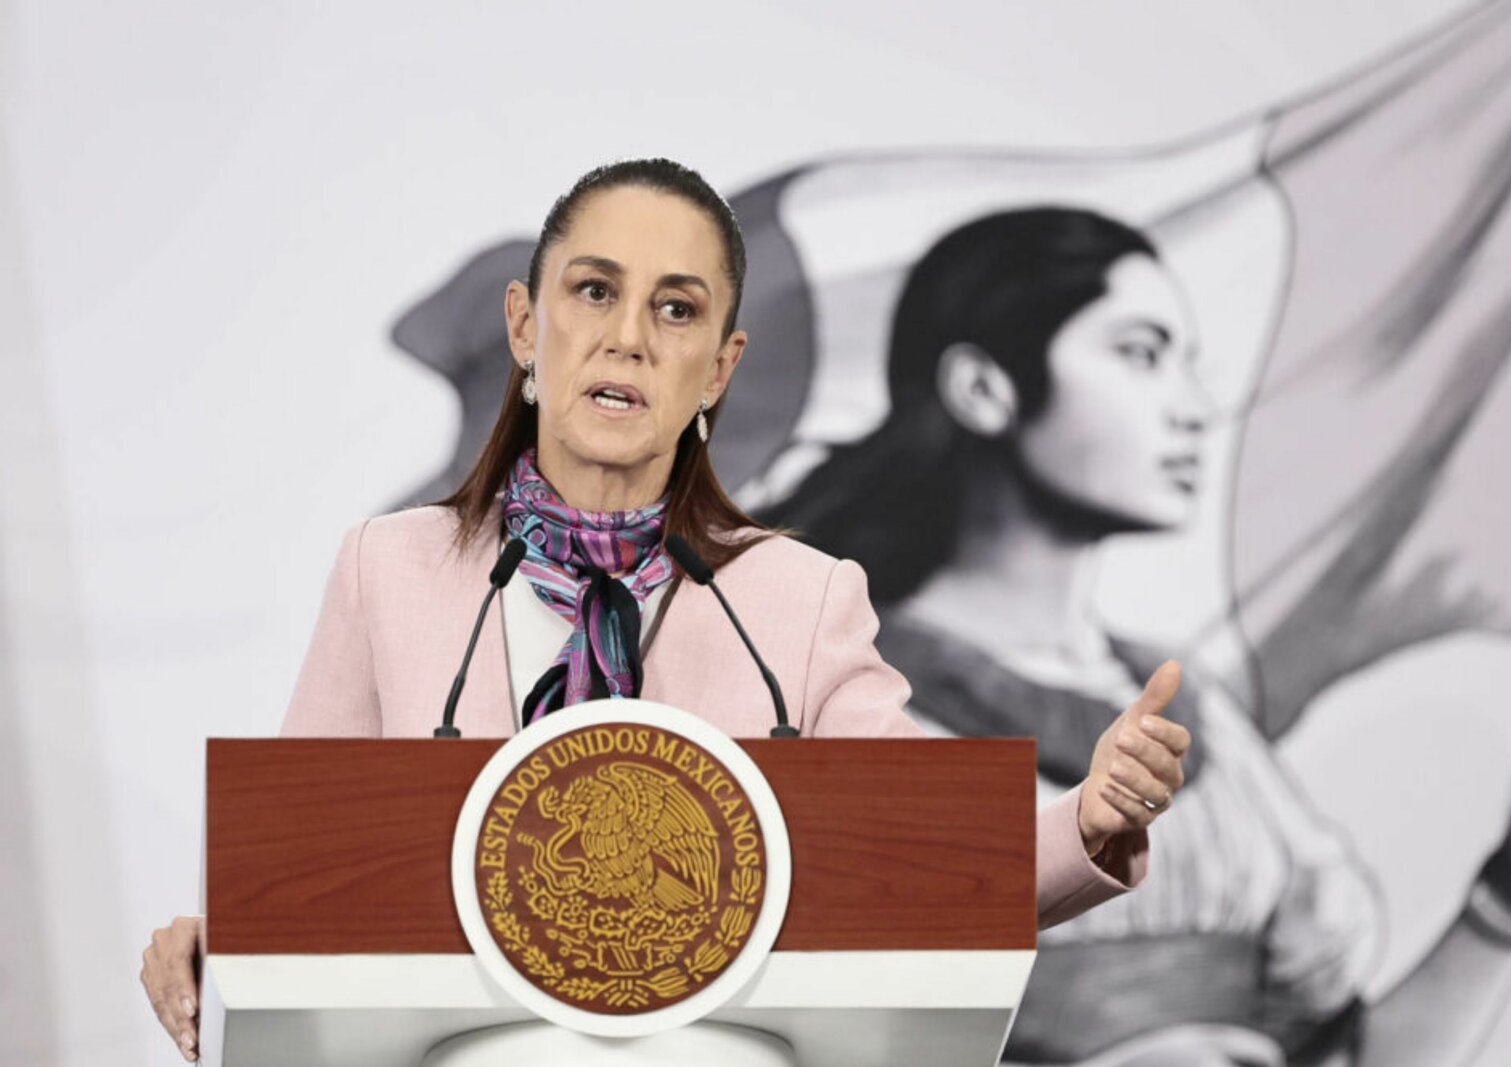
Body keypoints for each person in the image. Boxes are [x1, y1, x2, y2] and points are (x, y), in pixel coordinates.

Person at [138, 160, 1193, 1062]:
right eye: (594, 291)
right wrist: (219, 940)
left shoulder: (799, 596)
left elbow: (932, 863)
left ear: (720, 367)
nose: (629, 338)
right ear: (525, 325)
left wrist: (1087, 821)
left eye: (677, 309)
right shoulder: (391, 568)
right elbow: (304, 866)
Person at [762, 206, 1511, 1066]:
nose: (1195, 407)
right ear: (984, 388)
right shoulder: (839, 699)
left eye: (1188, 364)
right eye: (1141, 353)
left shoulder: (1194, 712)